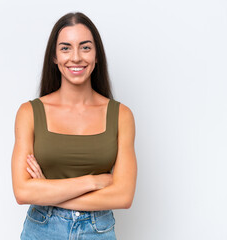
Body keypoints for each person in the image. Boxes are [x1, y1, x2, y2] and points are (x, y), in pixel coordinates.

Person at [11, 12, 137, 239]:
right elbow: (22, 191)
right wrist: (93, 181)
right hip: (42, 230)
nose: (76, 57)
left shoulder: (121, 116)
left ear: (97, 55)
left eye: (85, 47)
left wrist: (47, 191)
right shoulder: (29, 113)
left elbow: (124, 196)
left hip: (97, 231)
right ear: (54, 56)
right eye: (66, 48)